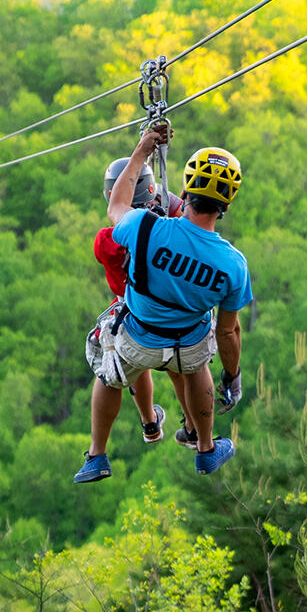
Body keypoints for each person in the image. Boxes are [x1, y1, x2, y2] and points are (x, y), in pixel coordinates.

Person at [74, 122, 252, 482]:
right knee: (197, 365)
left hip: (139, 341)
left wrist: (142, 151)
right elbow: (228, 331)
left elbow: (117, 206)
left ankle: (97, 456)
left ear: (185, 191)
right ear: (227, 204)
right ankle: (204, 448)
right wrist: (232, 376)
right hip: (187, 346)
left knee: (109, 374)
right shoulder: (233, 264)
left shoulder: (145, 227)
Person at [84, 158, 183, 445]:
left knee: (134, 361)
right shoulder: (165, 229)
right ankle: (192, 425)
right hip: (165, 310)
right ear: (149, 192)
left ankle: (149, 422)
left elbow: (124, 219)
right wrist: (159, 194)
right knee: (179, 365)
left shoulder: (105, 241)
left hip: (130, 314)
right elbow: (183, 213)